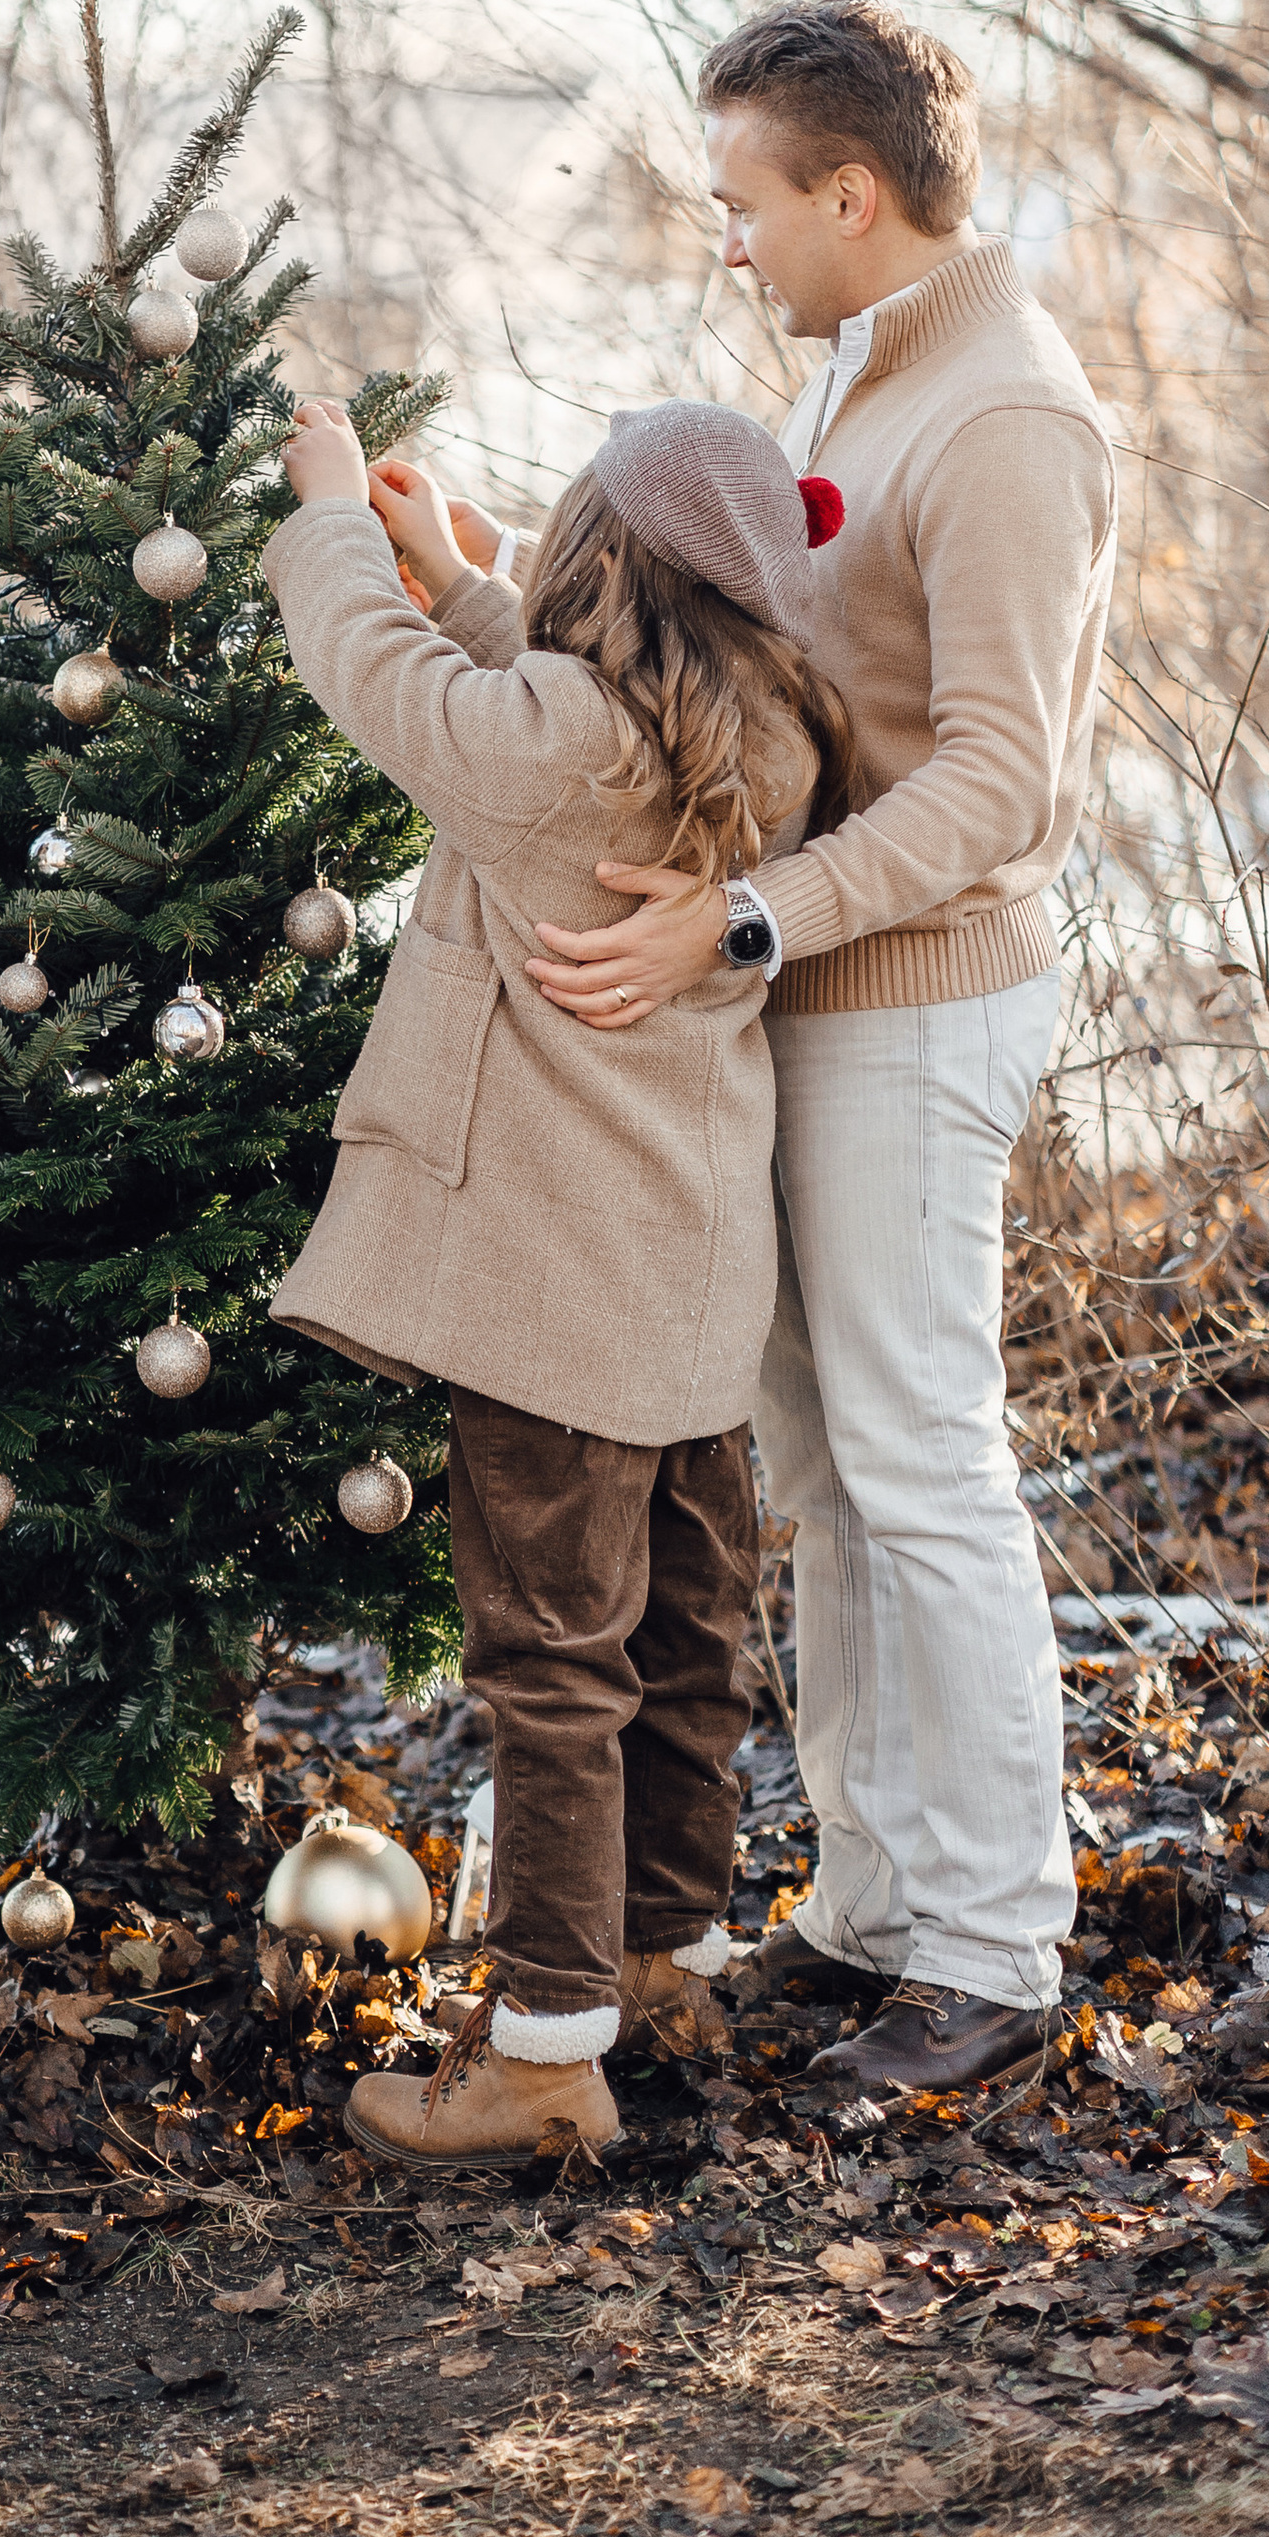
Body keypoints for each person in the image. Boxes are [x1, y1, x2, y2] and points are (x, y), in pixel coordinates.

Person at [517, 0, 1118, 2098]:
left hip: (918, 1000)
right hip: (794, 995)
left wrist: (752, 910)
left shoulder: (1004, 421)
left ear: (844, 196)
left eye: (741, 206)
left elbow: (1001, 790)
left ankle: (992, 1938)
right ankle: (871, 1905)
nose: (726, 246)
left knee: (918, 1454)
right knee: (819, 1468)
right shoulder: (860, 367)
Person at [264, 392, 856, 2169]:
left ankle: (539, 2056)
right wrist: (456, 572)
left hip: (549, 1293)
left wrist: (334, 530)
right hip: (687, 1284)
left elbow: (383, 691)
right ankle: (660, 1961)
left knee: (550, 1664)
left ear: (599, 564)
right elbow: (548, 712)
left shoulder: (550, 744)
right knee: (680, 1644)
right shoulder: (763, 731)